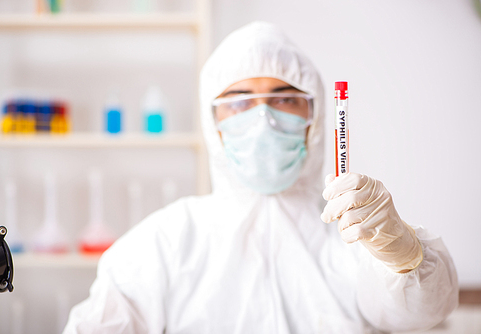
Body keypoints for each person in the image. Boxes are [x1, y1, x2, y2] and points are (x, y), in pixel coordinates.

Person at [64, 22, 458, 333]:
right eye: (240, 101)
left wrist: (405, 256)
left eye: (285, 99)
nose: (264, 118)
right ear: (212, 120)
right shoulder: (166, 241)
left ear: (314, 118)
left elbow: (424, 312)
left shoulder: (357, 234)